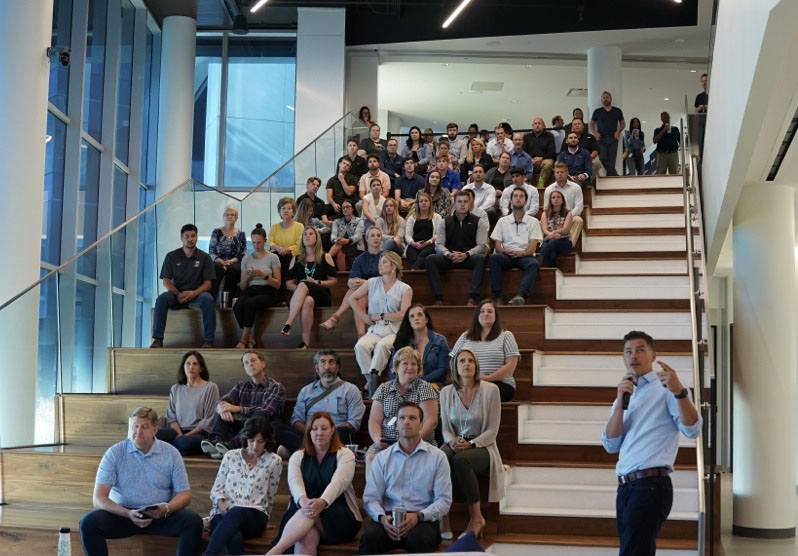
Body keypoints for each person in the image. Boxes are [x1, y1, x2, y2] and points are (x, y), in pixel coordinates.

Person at [602, 331, 701, 556]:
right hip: (625, 487)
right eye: (628, 352)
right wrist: (619, 404)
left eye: (640, 350)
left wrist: (681, 393)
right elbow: (610, 444)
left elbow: (692, 429)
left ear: (653, 355)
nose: (633, 356)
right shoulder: (625, 391)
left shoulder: (667, 387)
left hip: (651, 485)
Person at [79, 407, 202, 556]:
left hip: (159, 514)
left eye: (144, 427)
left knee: (193, 522)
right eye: (135, 426)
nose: (138, 431)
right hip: (123, 514)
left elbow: (184, 494)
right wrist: (128, 513)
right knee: (88, 523)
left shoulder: (171, 453)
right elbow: (98, 499)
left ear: (155, 430)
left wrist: (166, 509)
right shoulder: (114, 453)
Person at [359, 402, 451, 555]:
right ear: (396, 425)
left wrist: (419, 517)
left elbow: (444, 501)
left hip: (423, 517)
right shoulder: (382, 458)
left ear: (421, 425)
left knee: (418, 541)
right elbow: (371, 498)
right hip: (389, 517)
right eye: (402, 418)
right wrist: (382, 519)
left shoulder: (437, 457)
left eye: (412, 418)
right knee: (370, 539)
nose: (406, 421)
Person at [269, 413, 362, 555]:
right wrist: (304, 501)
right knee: (307, 536)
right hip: (301, 508)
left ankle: (277, 550)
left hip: (338, 513)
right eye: (314, 428)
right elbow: (295, 483)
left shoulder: (345, 454)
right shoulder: (298, 456)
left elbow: (338, 483)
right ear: (309, 432)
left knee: (309, 514)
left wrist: (322, 502)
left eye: (324, 428)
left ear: (332, 431)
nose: (319, 433)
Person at [440, 349, 504, 539]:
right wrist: (451, 441)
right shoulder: (445, 392)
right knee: (440, 456)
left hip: (482, 445)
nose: (466, 364)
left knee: (462, 460)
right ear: (455, 366)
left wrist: (472, 444)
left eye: (470, 361)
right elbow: (445, 427)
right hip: (455, 440)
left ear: (476, 366)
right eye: (462, 361)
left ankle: (477, 518)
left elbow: (492, 430)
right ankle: (443, 516)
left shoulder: (491, 390)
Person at [205, 416, 282, 555]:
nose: (255, 446)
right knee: (233, 536)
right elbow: (216, 489)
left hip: (255, 516)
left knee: (236, 512)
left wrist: (266, 518)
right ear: (245, 438)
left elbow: (271, 494)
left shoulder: (274, 461)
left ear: (267, 441)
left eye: (260, 441)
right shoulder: (230, 456)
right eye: (251, 441)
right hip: (223, 513)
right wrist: (222, 505)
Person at [274, 350, 366, 454]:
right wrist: (313, 432)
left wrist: (326, 433)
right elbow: (296, 420)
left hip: (335, 435)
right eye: (323, 362)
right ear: (316, 368)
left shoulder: (351, 390)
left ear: (337, 367)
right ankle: (313, 450)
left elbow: (353, 423)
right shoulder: (306, 391)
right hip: (309, 433)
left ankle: (302, 449)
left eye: (331, 362)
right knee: (275, 427)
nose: (327, 367)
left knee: (345, 432)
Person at [201, 350, 286, 458]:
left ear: (263, 363)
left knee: (259, 416)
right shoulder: (241, 386)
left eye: (253, 360)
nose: (250, 364)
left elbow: (267, 411)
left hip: (263, 431)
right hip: (240, 426)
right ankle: (216, 443)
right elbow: (221, 401)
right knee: (224, 410)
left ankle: (232, 445)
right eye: (246, 363)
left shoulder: (276, 387)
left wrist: (237, 409)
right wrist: (221, 408)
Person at [351, 251, 413, 396]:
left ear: (394, 266)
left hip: (394, 330)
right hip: (375, 329)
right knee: (360, 345)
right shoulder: (372, 282)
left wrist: (384, 315)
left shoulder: (405, 288)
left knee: (382, 346)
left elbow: (404, 313)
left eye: (384, 262)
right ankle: (371, 382)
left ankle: (371, 385)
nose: (380, 264)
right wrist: (364, 316)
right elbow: (352, 299)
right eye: (380, 262)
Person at [150, 224, 216, 349]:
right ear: (181, 238)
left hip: (197, 295)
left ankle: (209, 341)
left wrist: (193, 293)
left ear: (196, 238)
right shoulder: (171, 256)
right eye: (187, 236)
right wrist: (177, 294)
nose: (190, 239)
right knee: (161, 299)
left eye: (193, 236)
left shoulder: (205, 258)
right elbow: (166, 281)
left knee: (208, 299)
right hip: (176, 295)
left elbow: (208, 283)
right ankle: (157, 340)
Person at [425, 190, 489, 306]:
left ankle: (472, 298)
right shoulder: (445, 222)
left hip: (469, 258)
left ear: (470, 204)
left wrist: (467, 254)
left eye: (465, 202)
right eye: (459, 202)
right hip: (450, 258)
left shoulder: (479, 222)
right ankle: (438, 299)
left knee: (480, 259)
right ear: (454, 204)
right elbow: (438, 244)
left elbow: (482, 245)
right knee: (431, 259)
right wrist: (448, 254)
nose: (463, 204)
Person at [451, 300, 520, 402]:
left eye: (489, 311)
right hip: (468, 383)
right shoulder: (465, 336)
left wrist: (487, 378)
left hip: (499, 384)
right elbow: (453, 361)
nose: (485, 314)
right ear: (477, 315)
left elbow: (511, 366)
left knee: (477, 392)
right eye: (482, 311)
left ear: (496, 316)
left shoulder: (506, 336)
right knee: (448, 393)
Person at [281, 227, 338, 349]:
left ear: (317, 238)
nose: (307, 236)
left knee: (303, 284)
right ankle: (305, 343)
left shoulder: (325, 256)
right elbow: (289, 284)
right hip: (304, 298)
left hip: (322, 295)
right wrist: (302, 289)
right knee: (307, 300)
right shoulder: (296, 258)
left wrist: (317, 282)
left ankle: (289, 322)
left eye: (311, 234)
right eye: (305, 234)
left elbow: (334, 281)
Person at [320, 225, 383, 335]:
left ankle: (337, 317)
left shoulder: (387, 256)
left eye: (378, 235)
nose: (376, 238)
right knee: (359, 294)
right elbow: (353, 276)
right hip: (364, 293)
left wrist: (365, 283)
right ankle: (361, 335)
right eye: (372, 235)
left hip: (383, 292)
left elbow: (386, 280)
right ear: (366, 239)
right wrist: (351, 282)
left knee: (359, 291)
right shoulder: (361, 258)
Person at [156, 352, 220, 455]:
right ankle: (169, 447)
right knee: (152, 434)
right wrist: (180, 434)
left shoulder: (210, 387)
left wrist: (185, 436)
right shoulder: (175, 388)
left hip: (199, 433)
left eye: (195, 364)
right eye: (188, 363)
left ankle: (165, 448)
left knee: (183, 443)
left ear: (201, 368)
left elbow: (209, 419)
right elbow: (171, 417)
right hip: (177, 431)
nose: (191, 367)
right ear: (183, 367)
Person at [489, 187, 543, 305]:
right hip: (507, 255)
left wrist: (522, 253)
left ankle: (520, 295)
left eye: (521, 196)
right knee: (494, 258)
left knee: (534, 264)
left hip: (525, 255)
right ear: (511, 200)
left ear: (526, 201)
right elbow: (497, 247)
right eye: (515, 196)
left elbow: (532, 248)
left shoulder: (533, 221)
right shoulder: (502, 221)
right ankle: (498, 296)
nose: (518, 199)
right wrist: (505, 250)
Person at [233, 224, 282, 348]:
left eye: (259, 242)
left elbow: (277, 284)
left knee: (250, 304)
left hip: (268, 291)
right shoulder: (246, 259)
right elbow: (243, 287)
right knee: (237, 305)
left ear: (265, 241)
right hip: (251, 290)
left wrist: (263, 275)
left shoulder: (273, 258)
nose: (256, 245)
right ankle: (250, 337)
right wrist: (247, 277)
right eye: (254, 242)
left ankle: (243, 340)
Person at [388, 304, 450, 389]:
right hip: (405, 385)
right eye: (412, 316)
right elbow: (392, 369)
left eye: (420, 315)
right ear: (409, 322)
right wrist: (401, 383)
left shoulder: (440, 341)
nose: (416, 318)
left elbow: (443, 369)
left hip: (432, 384)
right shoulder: (402, 341)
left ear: (427, 319)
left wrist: (418, 381)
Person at [209, 205, 246, 303]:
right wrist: (222, 262)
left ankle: (228, 303)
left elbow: (242, 254)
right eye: (227, 215)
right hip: (218, 261)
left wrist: (230, 262)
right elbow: (211, 252)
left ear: (236, 218)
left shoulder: (241, 234)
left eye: (232, 215)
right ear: (223, 217)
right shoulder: (216, 232)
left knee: (234, 269)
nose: (230, 217)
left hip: (234, 262)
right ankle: (211, 301)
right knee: (216, 267)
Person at [543, 162, 585, 245]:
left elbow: (579, 206)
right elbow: (546, 208)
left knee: (579, 220)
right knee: (541, 221)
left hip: (572, 215)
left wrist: (568, 216)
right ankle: (544, 242)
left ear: (567, 173)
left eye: (562, 172)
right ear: (554, 174)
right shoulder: (549, 189)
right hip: (554, 216)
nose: (559, 174)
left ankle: (569, 244)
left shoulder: (576, 187)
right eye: (557, 172)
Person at [269, 197, 304, 293]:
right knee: (277, 259)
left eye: (289, 208)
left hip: (292, 257)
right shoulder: (274, 227)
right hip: (277, 256)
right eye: (283, 208)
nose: (286, 211)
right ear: (279, 211)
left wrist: (285, 250)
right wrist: (279, 248)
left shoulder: (299, 226)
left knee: (283, 259)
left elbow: (298, 245)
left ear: (293, 212)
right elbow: (270, 243)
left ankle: (282, 296)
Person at [590, 91, 625, 176]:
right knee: (602, 157)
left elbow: (623, 123)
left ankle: (610, 180)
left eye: (607, 97)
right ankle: (615, 174)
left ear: (611, 98)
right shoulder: (597, 111)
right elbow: (591, 123)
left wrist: (618, 131)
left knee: (612, 160)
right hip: (601, 139)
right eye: (604, 97)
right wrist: (595, 132)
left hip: (613, 138)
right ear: (601, 100)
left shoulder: (617, 111)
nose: (605, 99)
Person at [405, 192, 443, 270]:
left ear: (430, 203)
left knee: (423, 255)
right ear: (418, 204)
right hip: (415, 244)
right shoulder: (412, 218)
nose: (423, 203)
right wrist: (413, 243)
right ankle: (418, 273)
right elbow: (407, 235)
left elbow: (438, 234)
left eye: (426, 201)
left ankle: (414, 271)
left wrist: (428, 242)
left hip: (430, 244)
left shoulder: (437, 217)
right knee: (412, 255)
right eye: (421, 201)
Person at [540, 190, 573, 267]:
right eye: (553, 197)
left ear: (562, 200)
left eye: (558, 197)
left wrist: (553, 233)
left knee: (551, 243)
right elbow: (545, 230)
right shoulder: (545, 213)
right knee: (549, 248)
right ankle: (555, 269)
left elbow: (565, 230)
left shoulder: (568, 213)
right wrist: (552, 235)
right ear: (550, 200)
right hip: (549, 240)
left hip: (564, 241)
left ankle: (539, 262)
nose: (556, 199)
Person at [328, 199, 364, 270]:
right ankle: (343, 277)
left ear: (353, 208)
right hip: (341, 244)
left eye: (347, 207)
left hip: (355, 245)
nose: (345, 209)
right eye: (343, 207)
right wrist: (335, 240)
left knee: (340, 244)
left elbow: (358, 236)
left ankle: (327, 257)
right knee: (339, 253)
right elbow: (333, 234)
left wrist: (347, 240)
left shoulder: (359, 221)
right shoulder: (337, 221)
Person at [522, 117, 557, 187]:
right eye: (535, 123)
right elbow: (523, 152)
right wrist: (530, 160)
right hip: (530, 160)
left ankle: (540, 185)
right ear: (533, 126)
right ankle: (524, 186)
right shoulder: (527, 137)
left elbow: (552, 153)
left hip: (544, 160)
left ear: (544, 126)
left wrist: (541, 158)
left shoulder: (549, 136)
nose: (537, 125)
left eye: (539, 123)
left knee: (548, 164)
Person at [571, 118, 602, 183]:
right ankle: (569, 180)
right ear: (572, 127)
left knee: (597, 163)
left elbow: (595, 151)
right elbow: (563, 152)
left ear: (583, 126)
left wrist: (587, 159)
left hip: (587, 159)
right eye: (575, 124)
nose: (577, 125)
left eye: (579, 124)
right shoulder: (568, 138)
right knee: (558, 163)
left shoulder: (590, 137)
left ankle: (587, 181)